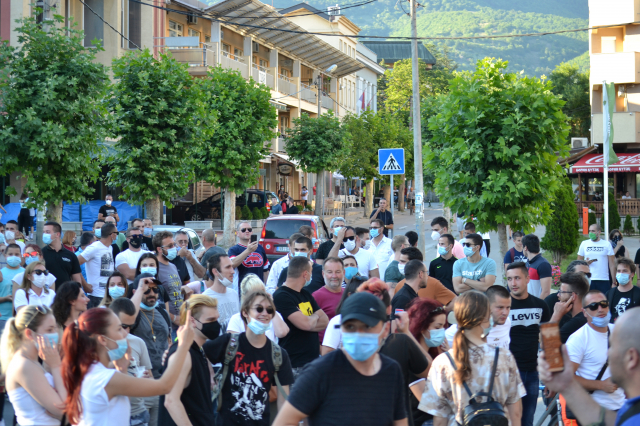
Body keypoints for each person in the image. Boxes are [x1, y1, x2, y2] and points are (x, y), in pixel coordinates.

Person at [273, 291, 409, 426]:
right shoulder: (320, 372)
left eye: (367, 326)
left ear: (385, 330)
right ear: (342, 329)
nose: (358, 334)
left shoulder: (391, 371)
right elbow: (284, 421)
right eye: (350, 327)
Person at [59, 306, 194, 425]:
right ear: (102, 339)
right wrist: (183, 346)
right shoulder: (105, 378)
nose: (125, 333)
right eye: (119, 329)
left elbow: (119, 406)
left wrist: (122, 369)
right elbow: (165, 386)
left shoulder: (93, 371)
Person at [419, 291, 525, 426]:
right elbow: (515, 411)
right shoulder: (504, 357)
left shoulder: (442, 362)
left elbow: (439, 419)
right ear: (484, 318)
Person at [204, 289, 295, 425]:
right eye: (259, 309)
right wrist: (210, 374)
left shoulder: (279, 355)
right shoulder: (229, 342)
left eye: (269, 310)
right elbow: (200, 351)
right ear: (245, 313)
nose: (265, 313)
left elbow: (284, 400)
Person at [538, 307, 640, 426]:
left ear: (631, 358)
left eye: (613, 346)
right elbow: (612, 421)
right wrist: (566, 385)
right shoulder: (632, 412)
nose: (607, 353)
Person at [1, 305, 67, 425]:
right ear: (29, 334)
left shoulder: (33, 361)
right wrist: (56, 365)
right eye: (49, 330)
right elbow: (63, 409)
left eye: (55, 329)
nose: (55, 334)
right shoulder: (24, 365)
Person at [159, 295, 219, 426]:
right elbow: (171, 401)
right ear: (192, 321)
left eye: (216, 319)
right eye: (211, 320)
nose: (216, 324)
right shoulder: (184, 354)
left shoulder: (196, 351)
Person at [565, 290, 625, 415]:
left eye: (603, 304)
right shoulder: (578, 338)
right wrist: (601, 385)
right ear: (584, 312)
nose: (600, 309)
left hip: (623, 407)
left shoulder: (619, 331)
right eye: (593, 306)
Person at [506, 261, 551, 426]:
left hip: (530, 373)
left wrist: (551, 378)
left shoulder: (541, 306)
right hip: (504, 373)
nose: (513, 283)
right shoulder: (501, 306)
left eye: (517, 278)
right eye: (509, 279)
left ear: (527, 279)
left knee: (527, 421)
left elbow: (550, 342)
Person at [273, 256, 328, 377]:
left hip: (312, 362)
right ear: (305, 274)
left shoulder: (305, 294)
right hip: (294, 365)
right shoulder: (281, 296)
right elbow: (306, 324)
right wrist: (312, 319)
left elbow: (325, 321)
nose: (311, 277)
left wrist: (307, 321)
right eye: (311, 272)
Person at [129, 274, 171, 426]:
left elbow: (169, 342)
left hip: (163, 383)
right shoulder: (134, 314)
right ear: (136, 292)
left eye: (155, 289)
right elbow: (128, 318)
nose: (152, 293)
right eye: (147, 290)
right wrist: (141, 289)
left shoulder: (162, 312)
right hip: (142, 385)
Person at [109, 298, 153, 426]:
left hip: (137, 413)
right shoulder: (99, 345)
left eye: (130, 327)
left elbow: (149, 376)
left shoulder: (138, 342)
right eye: (122, 326)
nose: (126, 332)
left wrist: (144, 379)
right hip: (111, 413)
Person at [407, 298, 448, 426]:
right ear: (422, 328)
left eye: (443, 326)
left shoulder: (436, 353)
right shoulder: (412, 359)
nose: (442, 331)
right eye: (438, 327)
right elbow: (431, 403)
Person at [445, 285, 513, 350]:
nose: (505, 313)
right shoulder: (464, 328)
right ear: (487, 305)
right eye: (500, 307)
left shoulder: (507, 322)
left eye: (508, 307)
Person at [227, 273, 289, 342]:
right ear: (246, 297)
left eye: (262, 292)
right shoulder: (236, 319)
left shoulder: (271, 314)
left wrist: (271, 306)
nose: (260, 297)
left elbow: (282, 333)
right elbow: (233, 344)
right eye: (255, 294)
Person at [78, 222, 117, 308]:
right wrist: (85, 284)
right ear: (112, 235)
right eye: (116, 233)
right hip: (95, 296)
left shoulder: (110, 248)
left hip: (108, 295)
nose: (117, 236)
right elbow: (75, 264)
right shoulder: (94, 247)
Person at [152, 230, 184, 330]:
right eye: (170, 246)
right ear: (159, 249)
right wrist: (173, 318)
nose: (174, 248)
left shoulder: (173, 266)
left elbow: (176, 290)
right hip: (166, 325)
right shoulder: (155, 269)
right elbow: (155, 302)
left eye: (174, 245)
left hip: (180, 323)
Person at [547, 272, 590, 342]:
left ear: (573, 296)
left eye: (561, 292)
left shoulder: (575, 323)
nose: (558, 295)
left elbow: (546, 343)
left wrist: (556, 315)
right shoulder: (587, 316)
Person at [202, 253, 239, 332]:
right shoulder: (205, 298)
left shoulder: (234, 294)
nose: (233, 271)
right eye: (228, 267)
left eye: (232, 267)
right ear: (215, 271)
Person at [41, 221, 83, 288]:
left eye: (48, 232)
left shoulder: (71, 255)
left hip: (66, 295)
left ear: (57, 234)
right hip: (46, 295)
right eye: (44, 232)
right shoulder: (41, 254)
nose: (44, 234)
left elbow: (76, 280)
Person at [578, 223, 617, 293]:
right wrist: (585, 263)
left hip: (603, 279)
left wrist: (614, 281)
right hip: (588, 279)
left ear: (599, 232)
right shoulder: (584, 243)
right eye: (589, 231)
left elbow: (612, 264)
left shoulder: (606, 244)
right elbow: (578, 263)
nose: (591, 233)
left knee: (603, 302)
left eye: (593, 231)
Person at [229, 221, 270, 288]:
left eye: (249, 229)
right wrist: (248, 251)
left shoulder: (260, 248)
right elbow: (232, 264)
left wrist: (267, 288)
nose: (247, 231)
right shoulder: (234, 250)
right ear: (237, 233)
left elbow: (265, 271)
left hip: (259, 289)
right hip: (242, 290)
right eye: (243, 230)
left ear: (252, 232)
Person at [312, 257, 344, 342]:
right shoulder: (316, 297)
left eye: (338, 272)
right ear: (323, 274)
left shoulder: (349, 294)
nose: (334, 276)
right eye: (330, 272)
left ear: (343, 273)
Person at [607, 258, 640, 322]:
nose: (621, 273)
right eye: (619, 271)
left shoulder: (638, 293)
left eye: (625, 271)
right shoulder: (609, 293)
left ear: (632, 274)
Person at [522, 233, 553, 299]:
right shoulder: (528, 263)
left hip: (536, 306)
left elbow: (546, 292)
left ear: (525, 248)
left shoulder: (543, 264)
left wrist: (537, 307)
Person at [0, 244, 23, 329]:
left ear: (21, 256)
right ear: (5, 256)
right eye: (10, 254)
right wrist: (5, 298)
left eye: (17, 254)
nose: (13, 257)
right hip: (2, 318)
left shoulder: (26, 273)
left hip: (21, 319)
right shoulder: (0, 273)